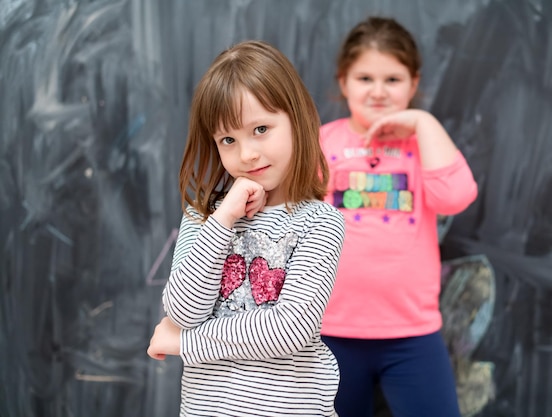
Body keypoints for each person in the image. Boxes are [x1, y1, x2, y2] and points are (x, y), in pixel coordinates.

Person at [147, 40, 345, 417]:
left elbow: (291, 328)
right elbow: (182, 312)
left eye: (260, 129)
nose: (246, 154)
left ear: (298, 118)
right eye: (228, 140)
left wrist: (185, 344)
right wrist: (223, 219)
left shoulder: (319, 221)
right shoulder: (203, 219)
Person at [319, 16, 478, 417]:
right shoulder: (322, 143)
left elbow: (455, 197)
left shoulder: (424, 142)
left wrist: (423, 123)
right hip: (327, 333)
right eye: (364, 78)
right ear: (343, 82)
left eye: (392, 79)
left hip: (412, 335)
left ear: (413, 83)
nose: (378, 91)